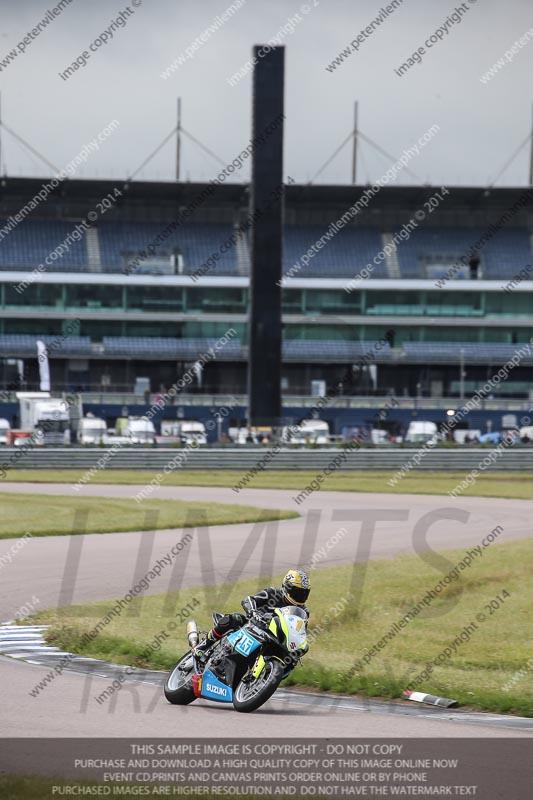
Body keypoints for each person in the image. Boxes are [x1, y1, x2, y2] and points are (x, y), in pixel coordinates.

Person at [194, 569, 311, 659]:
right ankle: (203, 645)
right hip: (253, 626)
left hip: (273, 639)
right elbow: (248, 600)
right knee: (235, 619)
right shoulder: (273, 593)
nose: (301, 596)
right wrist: (252, 611)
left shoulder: (303, 612)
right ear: (287, 588)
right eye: (297, 592)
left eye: (304, 593)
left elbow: (299, 633)